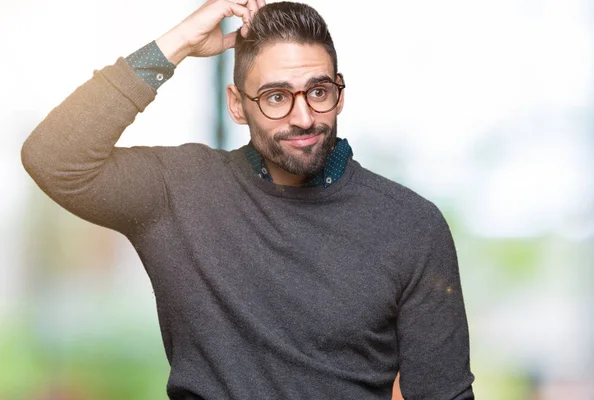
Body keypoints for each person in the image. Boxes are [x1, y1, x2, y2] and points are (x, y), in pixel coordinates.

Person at [21, 0, 475, 398]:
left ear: (339, 92)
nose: (303, 117)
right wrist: (176, 44)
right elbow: (54, 157)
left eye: (318, 92)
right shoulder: (179, 191)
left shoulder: (411, 225)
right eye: (276, 97)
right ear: (238, 105)